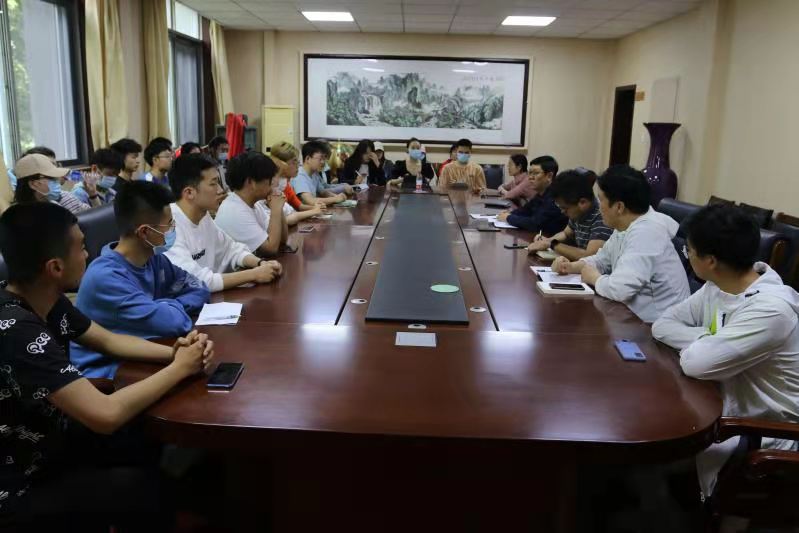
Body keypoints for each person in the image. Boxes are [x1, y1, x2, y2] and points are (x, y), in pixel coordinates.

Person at [0, 202, 213, 531]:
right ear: (55, 267)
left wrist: (176, 354)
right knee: (142, 490)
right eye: (82, 248)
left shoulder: (46, 300)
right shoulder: (16, 329)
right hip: (20, 481)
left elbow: (109, 341)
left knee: (144, 440)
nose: (88, 255)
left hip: (52, 437)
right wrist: (179, 369)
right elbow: (105, 415)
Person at [652, 204, 799, 498]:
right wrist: (708, 338)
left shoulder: (771, 310)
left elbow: (696, 364)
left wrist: (706, 347)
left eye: (689, 251)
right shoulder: (718, 286)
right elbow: (663, 325)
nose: (687, 256)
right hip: (723, 402)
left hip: (765, 430)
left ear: (710, 260)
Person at [71, 181, 210, 378]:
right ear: (145, 232)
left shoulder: (154, 258)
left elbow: (199, 288)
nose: (173, 229)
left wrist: (162, 306)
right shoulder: (106, 278)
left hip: (147, 353)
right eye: (169, 225)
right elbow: (172, 323)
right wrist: (164, 309)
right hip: (105, 373)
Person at [552, 165, 690, 322]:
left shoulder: (647, 232)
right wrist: (572, 266)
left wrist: (595, 278)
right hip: (632, 316)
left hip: (656, 325)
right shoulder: (625, 226)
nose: (598, 205)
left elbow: (620, 289)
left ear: (619, 207)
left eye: (601, 199)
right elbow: (602, 260)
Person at [165, 153, 282, 292]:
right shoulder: (168, 227)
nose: (221, 190)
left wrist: (260, 263)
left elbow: (231, 248)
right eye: (213, 184)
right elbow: (195, 280)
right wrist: (254, 274)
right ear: (189, 192)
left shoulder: (203, 217)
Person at [526, 168, 612, 260]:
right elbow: (566, 234)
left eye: (565, 208)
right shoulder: (578, 211)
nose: (562, 212)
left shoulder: (602, 216)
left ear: (582, 202)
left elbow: (589, 256)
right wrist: (547, 240)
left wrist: (552, 244)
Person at [215, 151, 289, 256]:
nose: (273, 183)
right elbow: (271, 249)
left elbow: (282, 240)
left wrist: (279, 209)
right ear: (250, 182)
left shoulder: (253, 204)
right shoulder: (234, 210)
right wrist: (276, 209)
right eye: (269, 178)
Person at [496, 155, 567, 235]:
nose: (530, 177)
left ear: (549, 176)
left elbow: (535, 224)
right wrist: (510, 213)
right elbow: (525, 210)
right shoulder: (540, 194)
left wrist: (508, 217)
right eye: (530, 173)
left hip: (551, 240)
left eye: (535, 173)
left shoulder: (555, 197)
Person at [13, 154, 93, 214]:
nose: (57, 180)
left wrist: (93, 195)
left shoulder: (55, 205)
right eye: (52, 178)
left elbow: (94, 217)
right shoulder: (21, 217)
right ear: (34, 184)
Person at [270, 141, 326, 216]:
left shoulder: (285, 184)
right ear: (282, 164)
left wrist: (315, 208)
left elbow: (299, 206)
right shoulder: (272, 187)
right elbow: (285, 218)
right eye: (294, 162)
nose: (298, 166)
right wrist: (313, 211)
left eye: (298, 162)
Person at [290, 140, 347, 207]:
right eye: (320, 159)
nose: (323, 162)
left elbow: (322, 192)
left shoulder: (314, 173)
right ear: (308, 159)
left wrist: (336, 196)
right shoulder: (299, 176)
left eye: (324, 159)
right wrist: (335, 199)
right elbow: (310, 201)